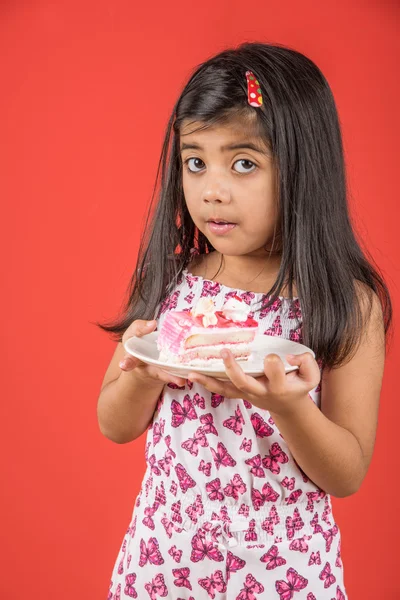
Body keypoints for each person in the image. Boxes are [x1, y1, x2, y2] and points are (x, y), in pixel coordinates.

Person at [97, 42, 392, 600]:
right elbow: (114, 424)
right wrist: (141, 371)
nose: (212, 190)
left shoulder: (346, 301)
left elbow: (346, 472)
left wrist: (285, 406)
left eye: (244, 163)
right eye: (195, 161)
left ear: (304, 169)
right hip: (162, 564)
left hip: (284, 572)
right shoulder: (170, 281)